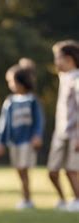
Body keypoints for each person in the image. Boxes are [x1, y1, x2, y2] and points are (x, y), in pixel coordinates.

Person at [0, 59, 44, 210]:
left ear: (21, 82)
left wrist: (37, 135)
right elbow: (3, 124)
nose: (10, 84)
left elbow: (39, 120)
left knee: (24, 169)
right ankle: (25, 198)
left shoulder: (32, 101)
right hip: (14, 142)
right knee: (19, 170)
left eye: (11, 81)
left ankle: (27, 199)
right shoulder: (10, 102)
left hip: (27, 141)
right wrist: (0, 142)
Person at [47, 40, 79, 211]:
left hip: (74, 132)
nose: (55, 62)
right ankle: (62, 200)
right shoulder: (64, 77)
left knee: (72, 170)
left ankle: (77, 200)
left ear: (68, 59)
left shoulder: (77, 79)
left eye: (57, 58)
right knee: (52, 170)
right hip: (60, 131)